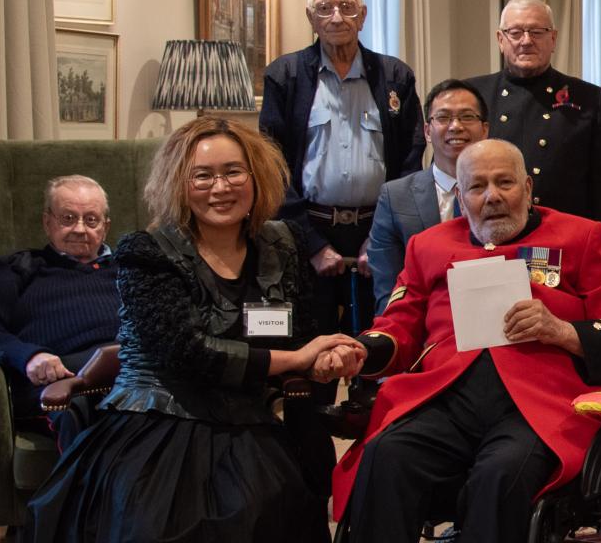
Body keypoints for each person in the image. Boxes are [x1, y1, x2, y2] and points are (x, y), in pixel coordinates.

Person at [24, 117, 361, 542]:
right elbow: (186, 353)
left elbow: (299, 336)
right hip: (158, 420)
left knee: (271, 503)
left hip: (247, 417)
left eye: (233, 172)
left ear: (256, 177)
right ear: (178, 184)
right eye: (202, 176)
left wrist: (324, 360)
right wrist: (300, 357)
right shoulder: (145, 251)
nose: (220, 188)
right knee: (157, 522)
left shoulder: (284, 243)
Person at [333, 139, 601, 542]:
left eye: (505, 183)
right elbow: (399, 324)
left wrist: (562, 331)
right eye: (477, 187)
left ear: (528, 189)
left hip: (538, 407)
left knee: (499, 474)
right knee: (387, 455)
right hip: (445, 400)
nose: (493, 197)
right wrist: (363, 348)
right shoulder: (428, 245)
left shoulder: (581, 237)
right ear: (461, 198)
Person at [260, 0, 425, 333]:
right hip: (306, 229)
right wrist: (313, 245)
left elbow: (411, 159)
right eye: (325, 8)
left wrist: (381, 235)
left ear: (362, 16)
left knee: (381, 338)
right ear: (311, 18)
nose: (337, 17)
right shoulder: (284, 76)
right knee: (313, 346)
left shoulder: (395, 75)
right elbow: (271, 164)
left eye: (347, 7)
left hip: (378, 229)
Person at [0, 175, 120, 446]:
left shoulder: (131, 269)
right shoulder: (17, 267)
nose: (80, 229)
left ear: (105, 227)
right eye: (67, 218)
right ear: (48, 222)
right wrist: (29, 356)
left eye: (91, 220)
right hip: (62, 381)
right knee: (77, 412)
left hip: (128, 372)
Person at [467, 0, 601, 238]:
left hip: (566, 238)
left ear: (553, 39)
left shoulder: (589, 98)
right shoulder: (474, 95)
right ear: (501, 40)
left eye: (537, 32)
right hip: (490, 238)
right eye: (516, 32)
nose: (526, 41)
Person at [367, 78, 489, 314]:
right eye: (443, 118)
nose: (455, 126)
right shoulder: (395, 197)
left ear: (484, 129)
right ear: (427, 131)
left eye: (467, 117)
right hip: (421, 331)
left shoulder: (506, 194)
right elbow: (389, 294)